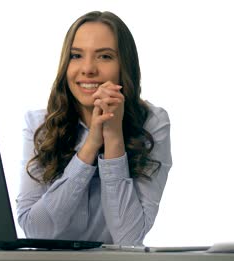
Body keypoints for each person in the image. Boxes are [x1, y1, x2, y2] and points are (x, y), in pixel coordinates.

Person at [16, 11, 172, 246]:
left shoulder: (152, 123)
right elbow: (36, 231)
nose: (87, 69)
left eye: (105, 57)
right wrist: (90, 146)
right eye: (76, 55)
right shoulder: (40, 124)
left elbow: (128, 239)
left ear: (124, 66)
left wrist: (113, 135)